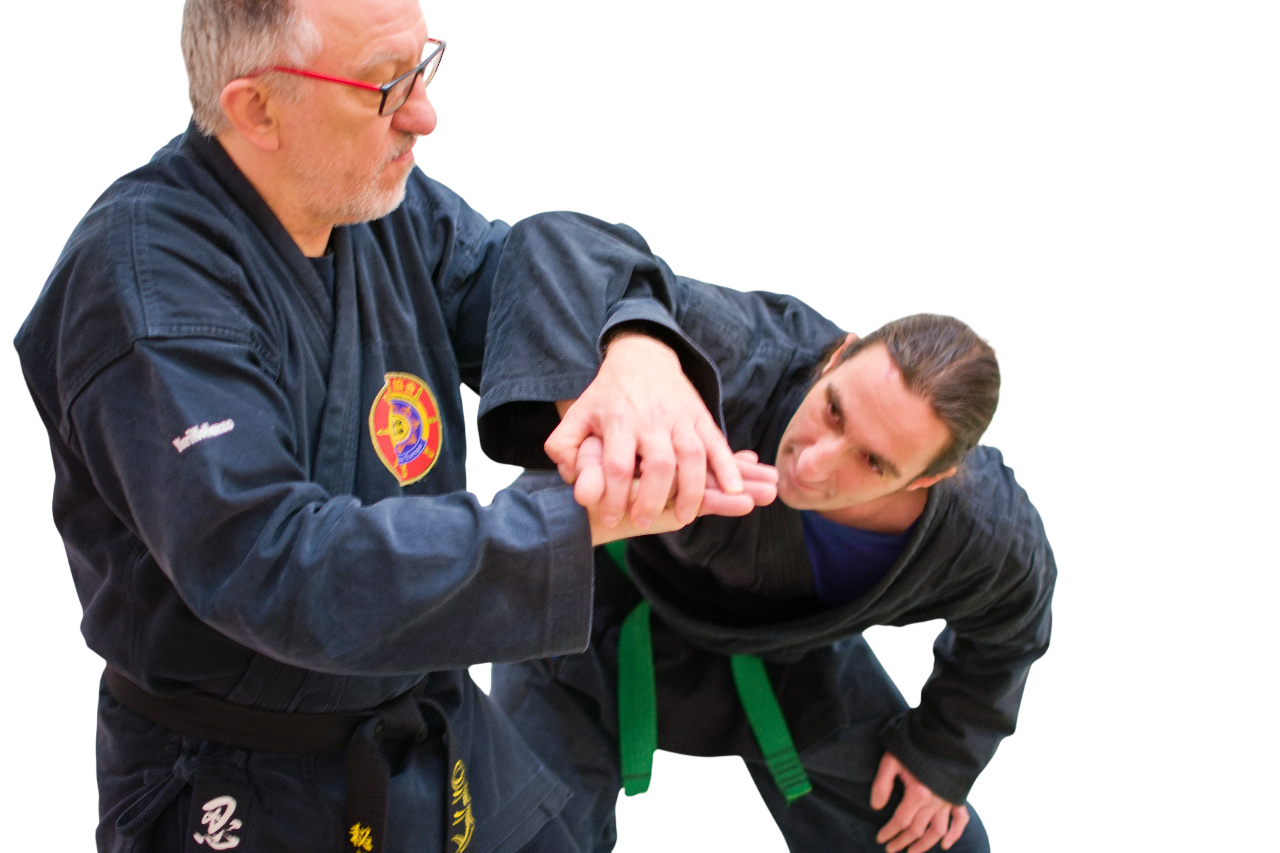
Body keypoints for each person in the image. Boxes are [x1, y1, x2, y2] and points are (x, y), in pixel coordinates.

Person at [13, 1, 779, 851]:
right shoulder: (146, 284)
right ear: (256, 108)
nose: (425, 113)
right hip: (248, 779)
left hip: (432, 730)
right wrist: (575, 516)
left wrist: (635, 342)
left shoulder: (372, 201)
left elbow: (529, 266)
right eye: (385, 85)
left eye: (425, 65)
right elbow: (274, 564)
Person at [479, 214, 1057, 852]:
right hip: (595, 583)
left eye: (872, 462)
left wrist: (944, 751)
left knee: (937, 843)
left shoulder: (984, 537)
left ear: (930, 478)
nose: (813, 464)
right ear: (837, 356)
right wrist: (638, 346)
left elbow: (1011, 629)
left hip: (776, 649)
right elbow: (560, 242)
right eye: (833, 410)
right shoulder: (738, 353)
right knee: (525, 840)